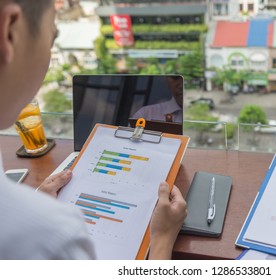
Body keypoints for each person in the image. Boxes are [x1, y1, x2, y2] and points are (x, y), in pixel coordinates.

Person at [0, 0, 187, 260]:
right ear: (8, 31)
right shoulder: (50, 235)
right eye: (50, 40)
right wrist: (163, 239)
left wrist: (38, 201)